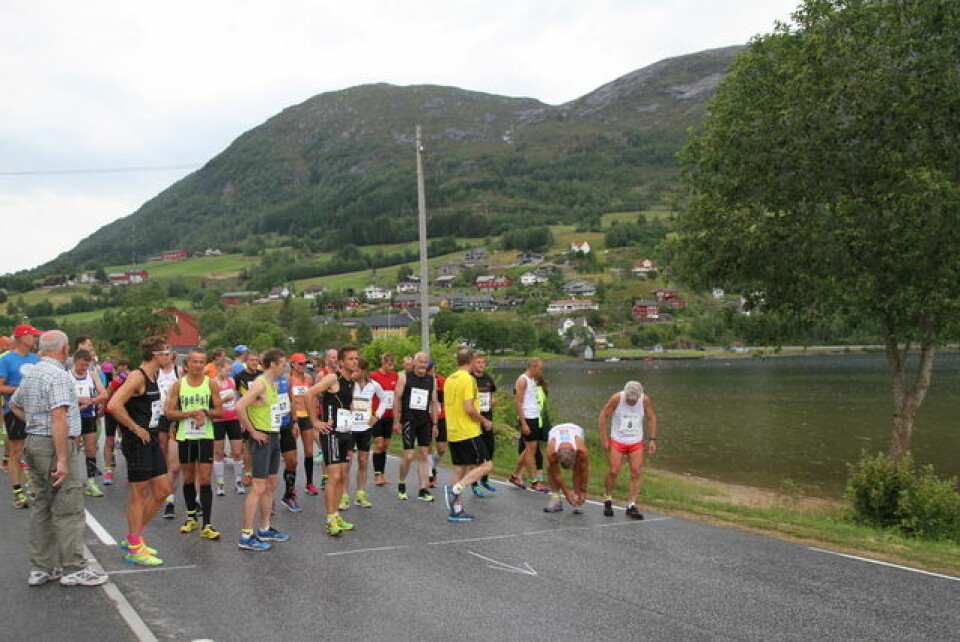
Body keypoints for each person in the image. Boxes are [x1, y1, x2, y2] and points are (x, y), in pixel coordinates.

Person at [10, 330, 108, 587]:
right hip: (55, 443)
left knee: (42, 504)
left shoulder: (32, 372)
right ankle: (74, 567)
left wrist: (33, 422)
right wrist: (63, 459)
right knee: (69, 506)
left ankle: (41, 567)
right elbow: (58, 418)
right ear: (64, 349)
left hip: (34, 440)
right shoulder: (59, 375)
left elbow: (14, 404)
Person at [107, 336, 174, 566]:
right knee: (139, 494)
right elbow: (114, 405)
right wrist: (135, 428)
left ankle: (134, 537)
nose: (169, 355)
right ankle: (135, 546)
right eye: (166, 352)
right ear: (155, 355)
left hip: (152, 439)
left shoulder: (155, 375)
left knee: (163, 490)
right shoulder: (138, 376)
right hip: (137, 441)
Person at [235, 348, 291, 551]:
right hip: (262, 438)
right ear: (273, 364)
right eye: (282, 364)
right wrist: (253, 432)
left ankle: (265, 528)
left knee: (270, 484)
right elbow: (240, 406)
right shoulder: (259, 383)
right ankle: (246, 536)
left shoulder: (272, 384)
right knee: (257, 487)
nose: (284, 367)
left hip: (274, 435)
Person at [165, 348, 224, 540]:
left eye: (201, 362)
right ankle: (191, 517)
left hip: (205, 436)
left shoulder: (211, 383)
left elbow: (220, 411)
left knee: (205, 479)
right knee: (188, 477)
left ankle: (207, 524)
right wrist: (188, 414)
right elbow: (169, 412)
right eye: (195, 362)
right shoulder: (178, 385)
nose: (198, 365)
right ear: (187, 364)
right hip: (185, 436)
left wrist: (204, 413)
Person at [306, 346, 359, 536]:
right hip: (331, 432)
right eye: (351, 359)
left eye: (356, 358)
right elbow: (309, 394)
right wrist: (314, 421)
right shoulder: (332, 378)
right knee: (334, 476)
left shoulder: (351, 380)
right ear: (342, 362)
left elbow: (346, 404)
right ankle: (329, 519)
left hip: (345, 431)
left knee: (343, 476)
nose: (355, 361)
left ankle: (336, 515)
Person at [442, 348, 494, 522]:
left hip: (453, 431)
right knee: (486, 465)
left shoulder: (450, 379)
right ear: (470, 360)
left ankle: (456, 510)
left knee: (459, 468)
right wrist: (484, 421)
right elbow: (469, 408)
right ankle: (457, 488)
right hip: (468, 430)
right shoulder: (468, 379)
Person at [598, 380, 657, 520]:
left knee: (636, 472)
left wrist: (652, 439)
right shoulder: (616, 398)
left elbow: (651, 417)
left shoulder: (645, 400)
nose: (631, 402)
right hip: (618, 440)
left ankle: (631, 505)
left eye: (634, 400)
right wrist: (604, 438)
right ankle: (608, 499)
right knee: (613, 471)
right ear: (625, 394)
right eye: (629, 400)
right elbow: (603, 416)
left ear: (639, 396)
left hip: (636, 441)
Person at [0, 324, 42, 508]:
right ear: (22, 337)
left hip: (36, 412)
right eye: (33, 336)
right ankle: (18, 492)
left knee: (34, 450)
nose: (35, 339)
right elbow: (0, 387)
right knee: (17, 451)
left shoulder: (36, 359)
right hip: (14, 411)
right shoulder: (6, 360)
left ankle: (33, 486)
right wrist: (21, 389)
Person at [339, 357, 387, 510]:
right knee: (346, 463)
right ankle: (344, 496)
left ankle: (360, 494)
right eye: (352, 370)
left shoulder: (373, 385)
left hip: (365, 428)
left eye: (357, 370)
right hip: (349, 428)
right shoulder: (348, 384)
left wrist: (377, 416)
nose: (353, 372)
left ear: (364, 371)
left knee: (363, 460)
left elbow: (385, 399)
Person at [392, 352, 437, 502]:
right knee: (409, 456)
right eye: (421, 362)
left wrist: (435, 424)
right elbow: (396, 399)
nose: (423, 365)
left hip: (424, 421)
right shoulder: (405, 377)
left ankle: (423, 489)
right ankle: (402, 482)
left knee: (424, 454)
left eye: (425, 363)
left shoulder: (431, 380)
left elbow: (434, 402)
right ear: (414, 363)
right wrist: (396, 421)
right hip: (408, 420)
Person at [70, 349, 108, 498]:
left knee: (91, 449)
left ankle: (91, 482)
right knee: (73, 449)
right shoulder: (67, 376)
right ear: (75, 362)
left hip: (89, 416)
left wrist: (92, 401)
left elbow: (104, 394)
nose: (83, 369)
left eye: (86, 366)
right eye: (81, 366)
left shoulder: (92, 375)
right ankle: (72, 481)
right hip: (72, 416)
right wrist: (79, 400)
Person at [508, 358, 548, 492]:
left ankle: (514, 476)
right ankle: (535, 481)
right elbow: (518, 403)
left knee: (529, 449)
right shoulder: (522, 380)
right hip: (527, 417)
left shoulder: (534, 380)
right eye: (540, 368)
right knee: (531, 450)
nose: (541, 371)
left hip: (535, 416)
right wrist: (523, 423)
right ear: (533, 367)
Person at [212, 357, 244, 495]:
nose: (229, 372)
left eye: (230, 370)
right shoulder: (212, 383)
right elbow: (210, 404)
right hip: (218, 421)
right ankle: (220, 484)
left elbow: (237, 400)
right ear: (219, 368)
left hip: (233, 419)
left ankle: (238, 481)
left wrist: (241, 419)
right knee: (218, 453)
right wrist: (224, 399)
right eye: (227, 369)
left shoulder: (231, 381)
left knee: (237, 452)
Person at [156, 353, 182, 519]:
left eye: (171, 358)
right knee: (162, 447)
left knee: (177, 464)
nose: (168, 361)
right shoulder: (155, 373)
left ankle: (171, 497)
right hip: (159, 415)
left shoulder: (178, 372)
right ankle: (165, 483)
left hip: (175, 417)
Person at [288, 353, 319, 495]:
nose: (303, 366)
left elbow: (312, 398)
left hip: (306, 416)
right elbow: (289, 399)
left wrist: (314, 417)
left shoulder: (308, 378)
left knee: (309, 451)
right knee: (292, 456)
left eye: (305, 363)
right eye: (300, 364)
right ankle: (291, 486)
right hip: (293, 417)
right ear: (293, 364)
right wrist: (293, 419)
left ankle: (309, 483)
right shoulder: (288, 379)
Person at [543, 422, 589, 514]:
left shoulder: (582, 451)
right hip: (555, 430)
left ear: (575, 455)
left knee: (579, 467)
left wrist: (583, 490)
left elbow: (584, 471)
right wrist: (566, 493)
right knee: (550, 468)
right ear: (557, 456)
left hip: (575, 429)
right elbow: (557, 474)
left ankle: (577, 497)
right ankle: (556, 498)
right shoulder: (551, 451)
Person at [470, 352, 498, 496]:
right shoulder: (470, 379)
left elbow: (493, 393)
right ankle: (474, 483)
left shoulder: (488, 379)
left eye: (483, 363)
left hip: (487, 417)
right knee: (477, 453)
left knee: (489, 449)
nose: (481, 365)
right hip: (474, 420)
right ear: (473, 363)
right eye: (478, 362)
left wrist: (493, 400)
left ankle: (485, 479)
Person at [233, 349, 262, 487]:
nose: (254, 363)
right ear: (246, 361)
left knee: (262, 445)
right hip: (246, 415)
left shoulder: (262, 375)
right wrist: (240, 419)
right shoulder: (239, 376)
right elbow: (237, 397)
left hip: (261, 416)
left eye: (256, 360)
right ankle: (247, 473)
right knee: (248, 447)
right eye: (252, 360)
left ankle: (260, 474)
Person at [369, 353, 398, 486]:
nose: (391, 367)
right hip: (378, 415)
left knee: (385, 446)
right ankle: (377, 475)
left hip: (390, 415)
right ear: (383, 363)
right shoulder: (375, 376)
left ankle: (382, 474)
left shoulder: (395, 376)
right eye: (389, 364)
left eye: (393, 364)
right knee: (379, 444)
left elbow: (397, 395)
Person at [102, 358, 131, 485]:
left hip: (123, 411)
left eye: (123, 365)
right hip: (111, 411)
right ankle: (108, 471)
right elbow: (109, 391)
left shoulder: (130, 376)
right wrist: (103, 408)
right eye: (119, 365)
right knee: (110, 440)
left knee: (124, 440)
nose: (121, 368)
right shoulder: (120, 377)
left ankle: (129, 470)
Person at [276, 368, 300, 513]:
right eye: (279, 364)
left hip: (285, 424)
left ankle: (288, 494)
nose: (282, 367)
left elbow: (291, 400)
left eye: (283, 364)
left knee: (292, 461)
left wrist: (295, 421)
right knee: (269, 468)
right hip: (269, 426)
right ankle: (268, 500)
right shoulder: (261, 380)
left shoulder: (286, 379)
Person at [427, 361, 447, 489]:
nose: (429, 371)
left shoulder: (442, 380)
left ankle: (432, 466)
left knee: (441, 449)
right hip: (425, 417)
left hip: (441, 416)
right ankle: (430, 474)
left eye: (431, 369)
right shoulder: (421, 380)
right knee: (426, 447)